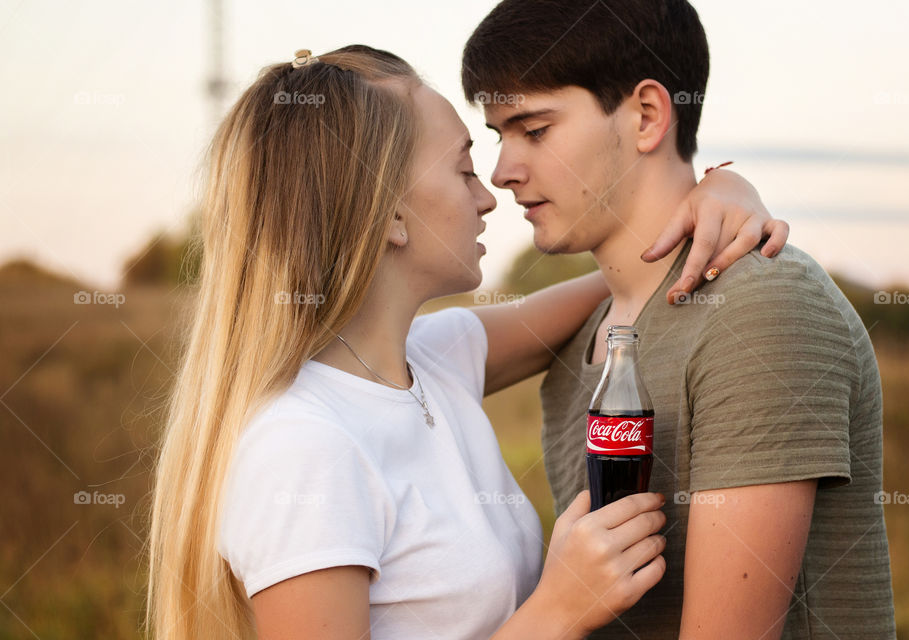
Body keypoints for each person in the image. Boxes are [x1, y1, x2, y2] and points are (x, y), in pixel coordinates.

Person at [146, 44, 789, 640]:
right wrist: (555, 612)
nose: (489, 198)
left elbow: (624, 276)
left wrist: (719, 196)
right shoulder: (305, 448)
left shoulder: (429, 360)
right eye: (463, 171)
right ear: (390, 214)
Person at [462, 1, 897, 638]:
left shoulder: (761, 308)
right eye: (499, 135)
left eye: (534, 129)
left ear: (646, 116)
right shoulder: (585, 333)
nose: (503, 171)